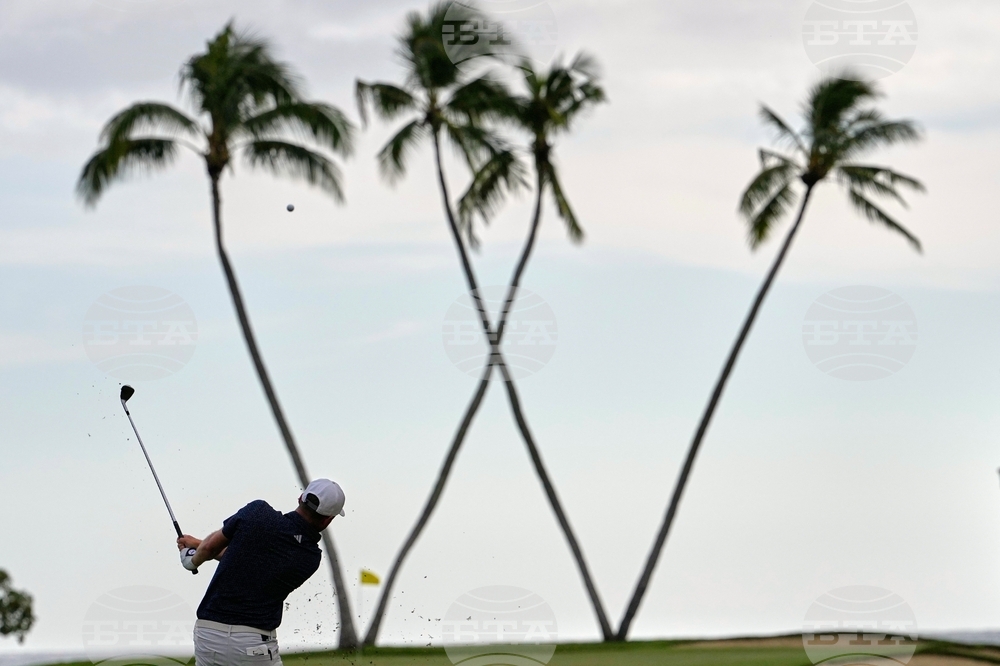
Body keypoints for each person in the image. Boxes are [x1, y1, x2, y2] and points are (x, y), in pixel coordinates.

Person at [176, 479, 346, 666]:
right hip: (254, 644)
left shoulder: (257, 512)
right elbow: (249, 560)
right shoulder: (310, 557)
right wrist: (198, 544)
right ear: (327, 520)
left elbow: (213, 549)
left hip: (209, 636)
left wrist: (190, 559)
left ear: (300, 498)